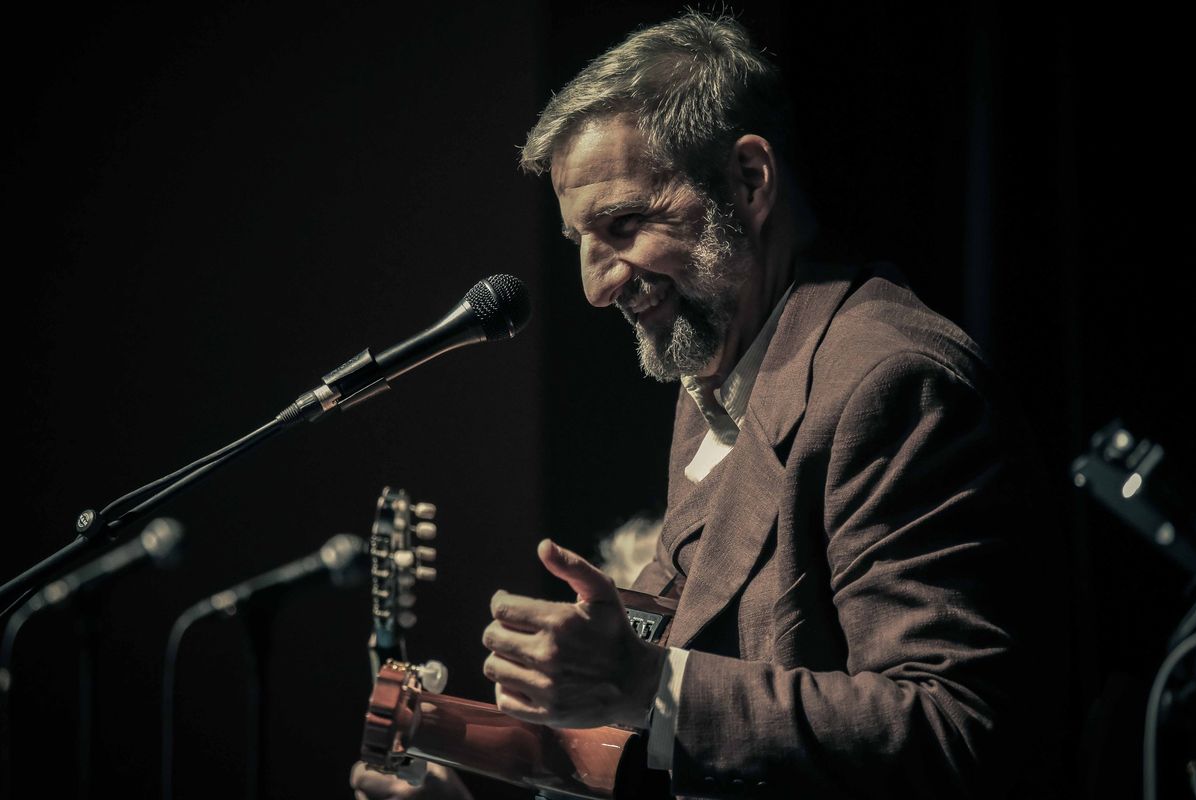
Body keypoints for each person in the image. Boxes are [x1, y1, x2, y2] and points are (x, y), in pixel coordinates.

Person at [354, 11, 1056, 799]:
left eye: (623, 225)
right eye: (580, 241)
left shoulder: (892, 383)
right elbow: (668, 749)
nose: (595, 287)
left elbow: (956, 728)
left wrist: (645, 681)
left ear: (749, 180)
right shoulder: (720, 376)